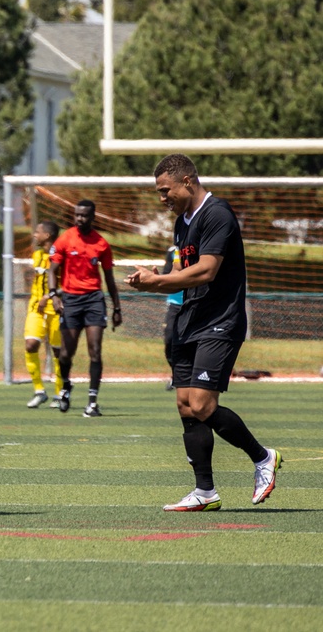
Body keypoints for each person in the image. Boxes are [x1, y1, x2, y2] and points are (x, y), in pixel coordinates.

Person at [126, 154, 281, 512]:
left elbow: (207, 270)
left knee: (201, 403)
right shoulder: (182, 222)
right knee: (185, 406)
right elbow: (184, 268)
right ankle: (205, 492)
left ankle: (263, 457)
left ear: (188, 182)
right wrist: (153, 278)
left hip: (220, 321)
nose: (162, 198)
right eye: (159, 192)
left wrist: (157, 282)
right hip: (190, 320)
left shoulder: (218, 214)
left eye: (166, 191)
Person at [47, 200, 122, 418]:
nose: (80, 219)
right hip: (70, 300)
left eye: (84, 215)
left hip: (94, 300)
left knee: (95, 351)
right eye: (77, 215)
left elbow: (109, 278)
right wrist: (54, 295)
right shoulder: (65, 239)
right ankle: (66, 386)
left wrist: (117, 308)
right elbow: (53, 270)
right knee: (66, 353)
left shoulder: (101, 244)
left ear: (93, 216)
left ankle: (92, 402)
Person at [24, 221, 64, 408]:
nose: (34, 235)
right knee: (31, 345)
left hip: (56, 308)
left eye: (37, 232)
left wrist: (49, 296)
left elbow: (69, 283)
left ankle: (59, 393)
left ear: (47, 235)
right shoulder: (37, 255)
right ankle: (39, 390)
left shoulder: (62, 256)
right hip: (36, 308)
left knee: (58, 352)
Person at [162, 245, 184, 391]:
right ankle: (176, 374)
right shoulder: (173, 251)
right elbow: (166, 273)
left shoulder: (203, 247)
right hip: (175, 304)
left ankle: (187, 377)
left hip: (197, 303)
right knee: (169, 339)